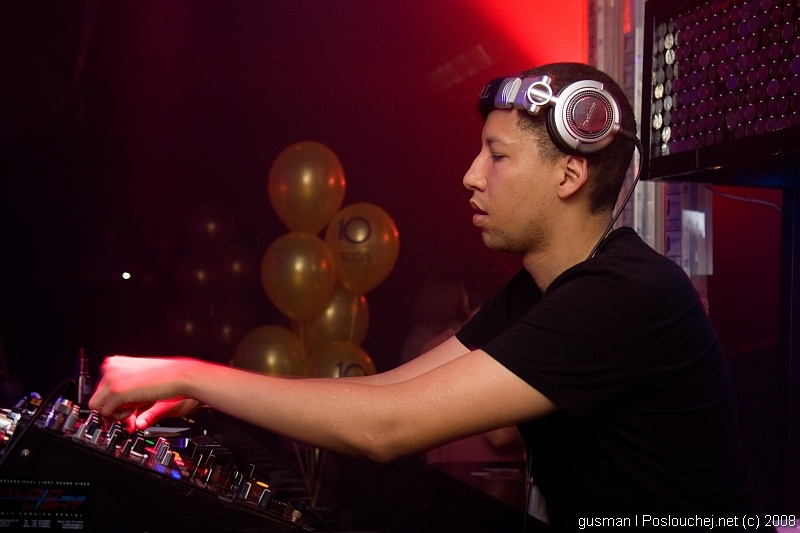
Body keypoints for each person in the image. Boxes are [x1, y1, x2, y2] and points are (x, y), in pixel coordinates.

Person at [89, 63, 766, 531]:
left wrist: (187, 372)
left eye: (497, 155)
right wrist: (208, 391)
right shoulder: (541, 292)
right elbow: (386, 393)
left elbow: (386, 429)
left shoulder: (625, 295)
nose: (470, 175)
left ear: (568, 174)